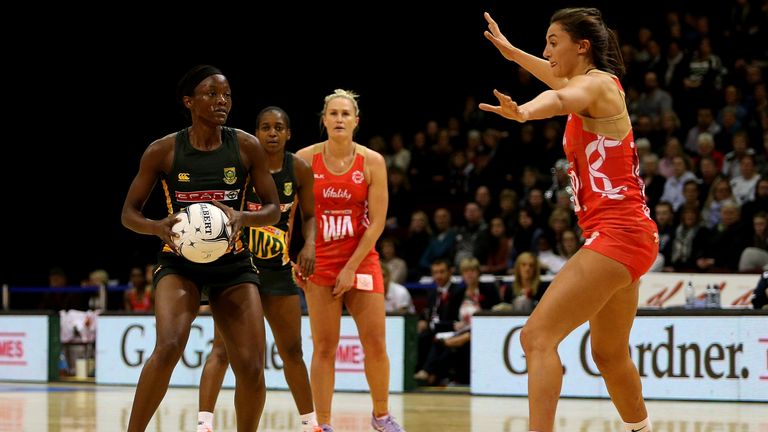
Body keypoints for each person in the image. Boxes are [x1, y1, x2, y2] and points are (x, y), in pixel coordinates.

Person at [479, 9, 659, 432]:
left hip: (617, 235)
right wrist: (512, 54)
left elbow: (559, 98)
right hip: (629, 235)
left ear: (582, 46)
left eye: (553, 41)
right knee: (609, 354)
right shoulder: (590, 85)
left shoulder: (597, 85)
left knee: (536, 337)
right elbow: (558, 83)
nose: (547, 51)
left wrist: (523, 113)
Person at [120, 64, 280, 432]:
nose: (221, 100)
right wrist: (157, 227)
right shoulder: (162, 151)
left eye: (226, 94)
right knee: (169, 347)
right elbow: (128, 213)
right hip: (179, 263)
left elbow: (272, 209)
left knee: (253, 367)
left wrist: (242, 217)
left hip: (233, 264)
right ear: (189, 101)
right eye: (211, 94)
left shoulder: (245, 146)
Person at [196, 106, 320, 432]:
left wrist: (309, 245)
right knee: (221, 349)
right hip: (239, 272)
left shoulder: (300, 169)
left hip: (279, 272)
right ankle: (204, 424)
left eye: (279, 127)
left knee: (292, 350)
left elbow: (311, 217)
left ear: (288, 133)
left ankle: (311, 424)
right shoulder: (242, 166)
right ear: (257, 132)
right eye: (265, 127)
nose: (272, 133)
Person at [295, 89, 405, 432]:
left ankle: (382, 415)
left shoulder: (372, 161)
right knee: (324, 347)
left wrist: (350, 268)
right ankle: (323, 423)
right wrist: (289, 259)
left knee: (375, 343)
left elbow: (377, 224)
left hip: (361, 261)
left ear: (356, 122)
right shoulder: (304, 159)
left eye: (345, 114)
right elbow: (289, 215)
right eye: (333, 113)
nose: (339, 119)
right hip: (320, 265)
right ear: (324, 120)